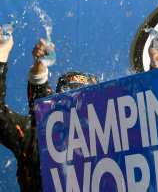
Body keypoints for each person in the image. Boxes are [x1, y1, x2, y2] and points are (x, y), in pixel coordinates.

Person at [0, 30, 98, 191]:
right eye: (70, 104)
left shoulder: (112, 139)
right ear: (58, 105)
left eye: (86, 105)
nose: (77, 113)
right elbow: (40, 107)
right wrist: (2, 54)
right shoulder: (34, 135)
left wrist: (156, 68)